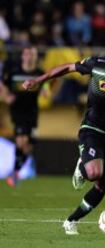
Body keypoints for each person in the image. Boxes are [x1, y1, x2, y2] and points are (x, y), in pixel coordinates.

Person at [22, 30, 105, 235]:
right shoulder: (98, 63)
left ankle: (71, 221)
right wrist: (40, 81)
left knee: (103, 184)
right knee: (94, 173)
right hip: (92, 128)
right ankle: (82, 167)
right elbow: (67, 68)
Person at [0, 46, 48, 187]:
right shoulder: (14, 72)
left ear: (35, 57)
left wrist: (45, 92)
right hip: (18, 112)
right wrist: (6, 96)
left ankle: (16, 172)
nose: (29, 57)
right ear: (23, 56)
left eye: (32, 54)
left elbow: (45, 86)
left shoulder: (39, 73)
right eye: (27, 54)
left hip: (32, 113)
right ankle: (15, 174)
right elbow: (2, 85)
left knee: (28, 146)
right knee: (22, 141)